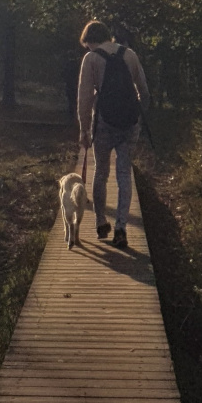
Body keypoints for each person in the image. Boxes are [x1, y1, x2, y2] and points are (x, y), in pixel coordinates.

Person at [77, 19, 150, 249]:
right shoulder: (129, 55)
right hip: (129, 125)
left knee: (101, 172)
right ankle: (121, 228)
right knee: (124, 174)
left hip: (104, 123)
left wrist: (84, 130)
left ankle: (100, 223)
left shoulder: (91, 59)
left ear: (89, 40)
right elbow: (144, 92)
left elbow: (85, 99)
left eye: (87, 44)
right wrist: (137, 115)